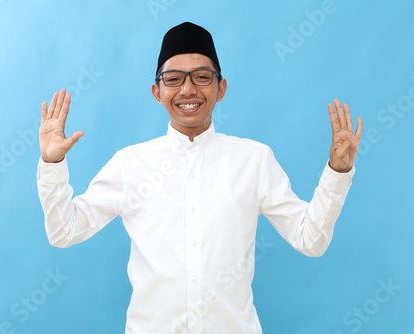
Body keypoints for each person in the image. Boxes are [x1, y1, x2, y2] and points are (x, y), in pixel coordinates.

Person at [37, 22, 362, 334]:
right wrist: (52, 162)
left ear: (221, 88)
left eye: (202, 77)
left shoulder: (253, 160)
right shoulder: (130, 163)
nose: (188, 90)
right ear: (157, 91)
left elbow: (311, 240)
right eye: (174, 79)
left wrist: (338, 172)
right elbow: (64, 232)